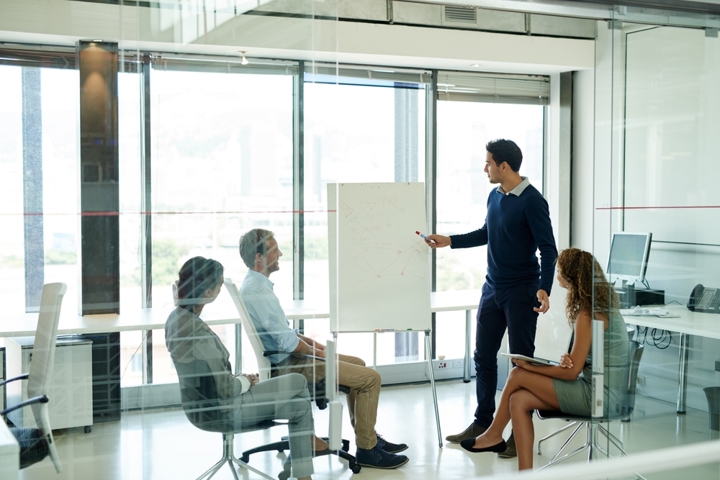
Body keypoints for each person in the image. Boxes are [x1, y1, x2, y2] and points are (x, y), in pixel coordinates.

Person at [426, 138, 558, 457]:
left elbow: (549, 249)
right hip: (492, 289)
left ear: (504, 166)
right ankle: (483, 423)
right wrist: (450, 241)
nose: (484, 168)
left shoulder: (532, 201)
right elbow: (487, 233)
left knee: (520, 363)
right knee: (483, 357)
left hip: (521, 291)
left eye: (488, 163)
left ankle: (517, 431)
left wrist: (545, 287)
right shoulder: (494, 196)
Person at [238, 228, 410, 470]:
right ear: (259, 257)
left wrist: (316, 346)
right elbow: (286, 343)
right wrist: (321, 354)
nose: (281, 254)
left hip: (289, 358)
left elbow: (286, 333)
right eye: (275, 250)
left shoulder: (255, 286)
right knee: (371, 379)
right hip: (289, 365)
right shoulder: (258, 292)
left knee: (358, 364)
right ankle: (368, 450)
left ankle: (368, 437)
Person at [459, 248, 629, 471]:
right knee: (518, 400)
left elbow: (570, 373)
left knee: (518, 373)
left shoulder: (588, 313)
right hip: (605, 392)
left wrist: (530, 367)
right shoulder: (600, 305)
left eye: (559, 271)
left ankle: (493, 434)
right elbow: (583, 362)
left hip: (599, 397)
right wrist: (570, 359)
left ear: (570, 278)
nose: (555, 275)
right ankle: (524, 472)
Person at [165, 256, 328, 480]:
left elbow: (210, 379)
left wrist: (240, 380)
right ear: (209, 292)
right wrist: (246, 380)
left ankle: (301, 472)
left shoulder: (175, 320)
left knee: (300, 407)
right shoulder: (198, 334)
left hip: (199, 408)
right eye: (220, 285)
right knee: (298, 381)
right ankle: (303, 468)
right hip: (225, 409)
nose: (222, 288)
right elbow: (226, 390)